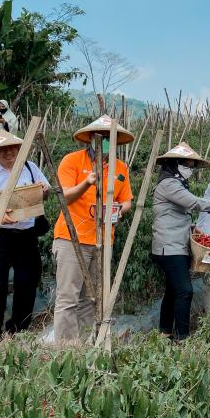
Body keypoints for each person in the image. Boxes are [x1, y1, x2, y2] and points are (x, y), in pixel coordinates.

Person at [52, 115, 134, 342]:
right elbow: (64, 197)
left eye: (110, 138)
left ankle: (87, 344)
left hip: (103, 240)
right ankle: (65, 349)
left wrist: (118, 209)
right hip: (71, 237)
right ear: (90, 139)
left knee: (92, 298)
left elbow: (127, 200)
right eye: (101, 137)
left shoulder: (121, 168)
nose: (105, 142)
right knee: (68, 297)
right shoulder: (72, 161)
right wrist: (86, 183)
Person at [151, 142, 210, 339]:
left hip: (177, 245)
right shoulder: (168, 184)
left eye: (192, 166)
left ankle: (165, 332)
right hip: (169, 246)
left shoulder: (177, 182)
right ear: (175, 163)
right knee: (185, 291)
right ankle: (182, 337)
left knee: (173, 290)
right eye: (186, 164)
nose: (189, 169)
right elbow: (193, 202)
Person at [0, 129, 50, 340]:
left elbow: (46, 191)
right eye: (2, 150)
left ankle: (19, 328)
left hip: (26, 233)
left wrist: (44, 191)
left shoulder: (30, 168)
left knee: (28, 278)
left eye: (12, 148)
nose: (8, 153)